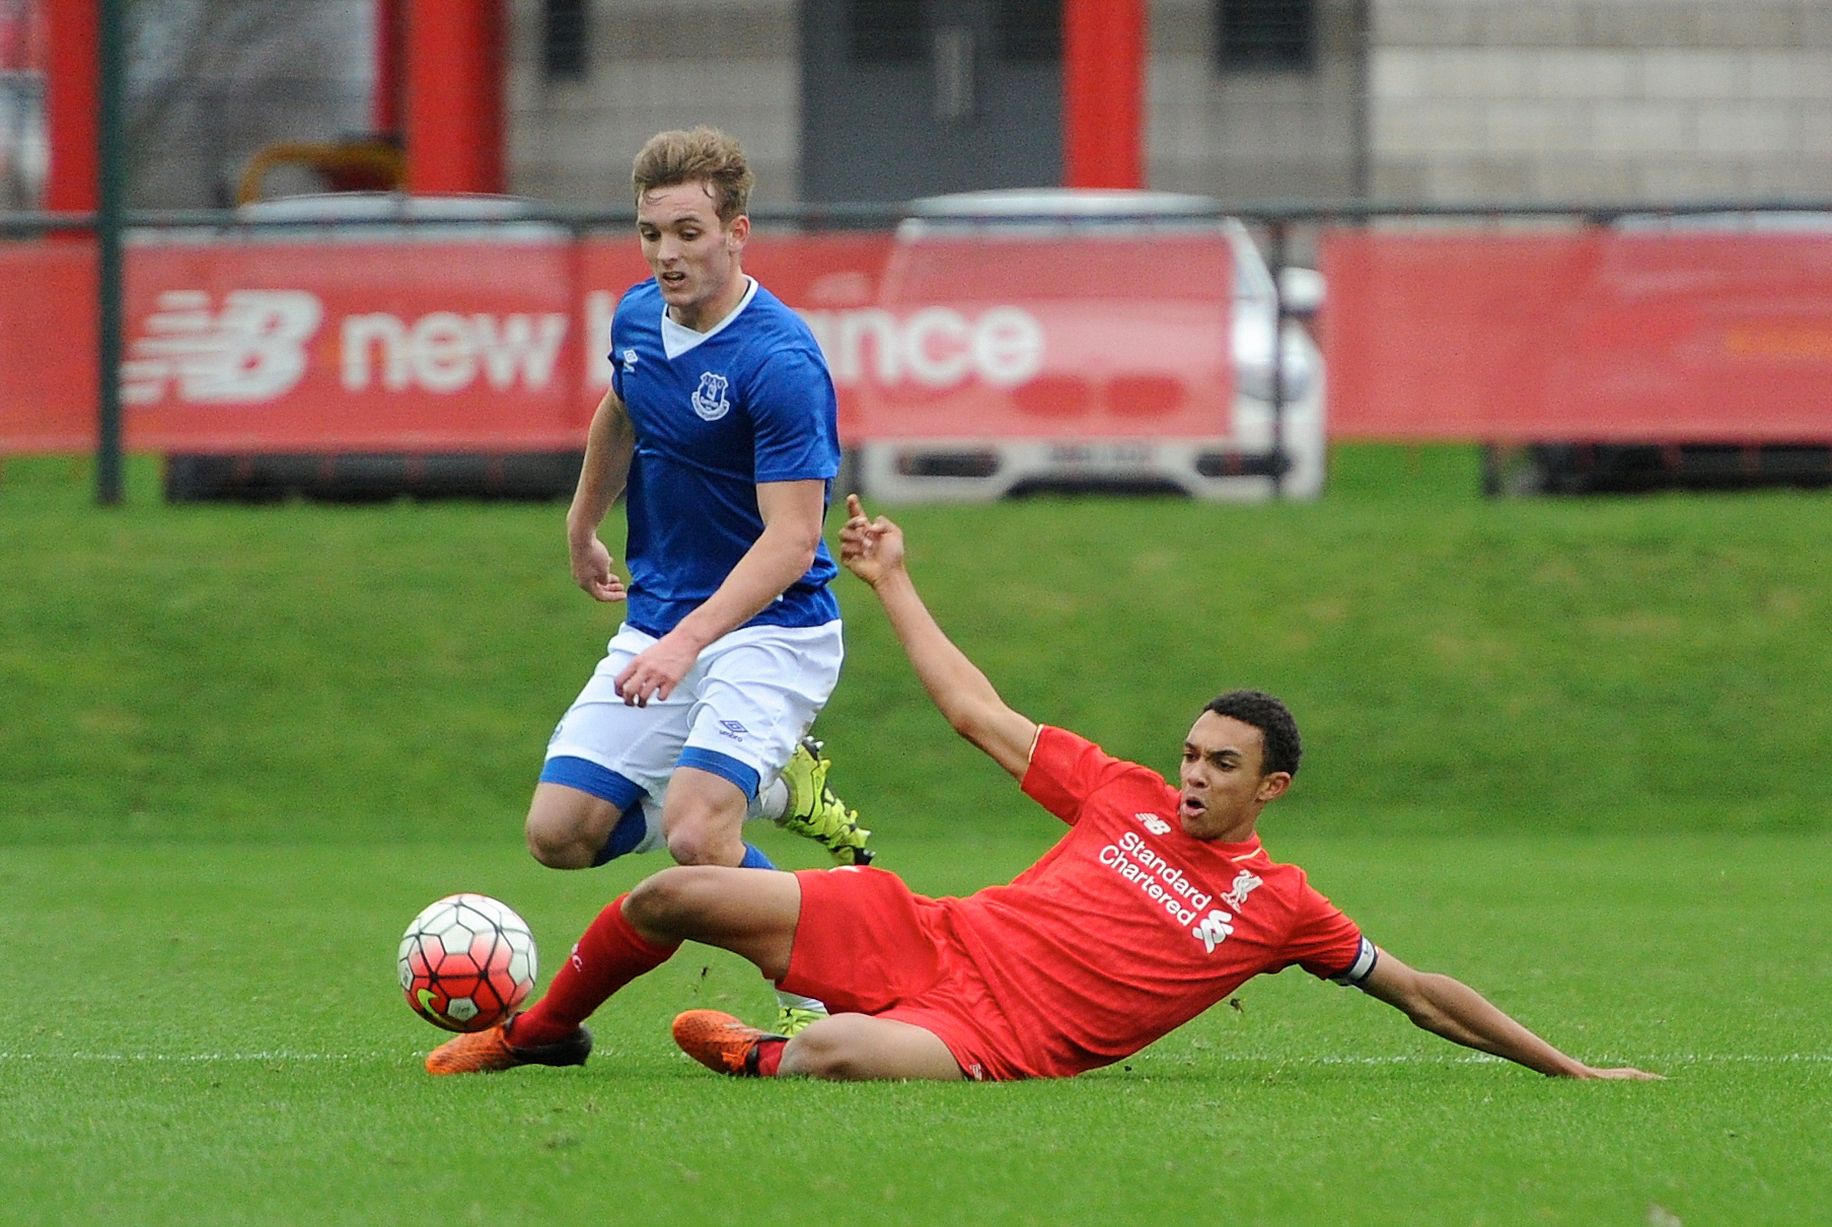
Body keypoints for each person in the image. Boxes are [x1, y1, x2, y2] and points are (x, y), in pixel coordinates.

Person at [427, 496, 1659, 1083]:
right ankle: (540, 1034)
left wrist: (1570, 1072)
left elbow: (1419, 994)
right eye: (1187, 753)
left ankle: (763, 1053)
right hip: (934, 932)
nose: (1189, 776)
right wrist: (894, 579)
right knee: (670, 896)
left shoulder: (1281, 910)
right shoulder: (1120, 793)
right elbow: (977, 714)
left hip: (996, 1036)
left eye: (1219, 766)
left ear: (1268, 788)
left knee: (841, 1057)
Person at [526, 127, 869, 1034]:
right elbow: (621, 407)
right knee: (561, 835)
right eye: (651, 233)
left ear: (737, 231)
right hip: (664, 621)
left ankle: (828, 998)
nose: (667, 254)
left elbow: (794, 541)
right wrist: (582, 520)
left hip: (773, 628)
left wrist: (688, 643)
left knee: (696, 836)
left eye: (687, 232)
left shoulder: (780, 360)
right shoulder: (637, 317)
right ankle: (767, 783)